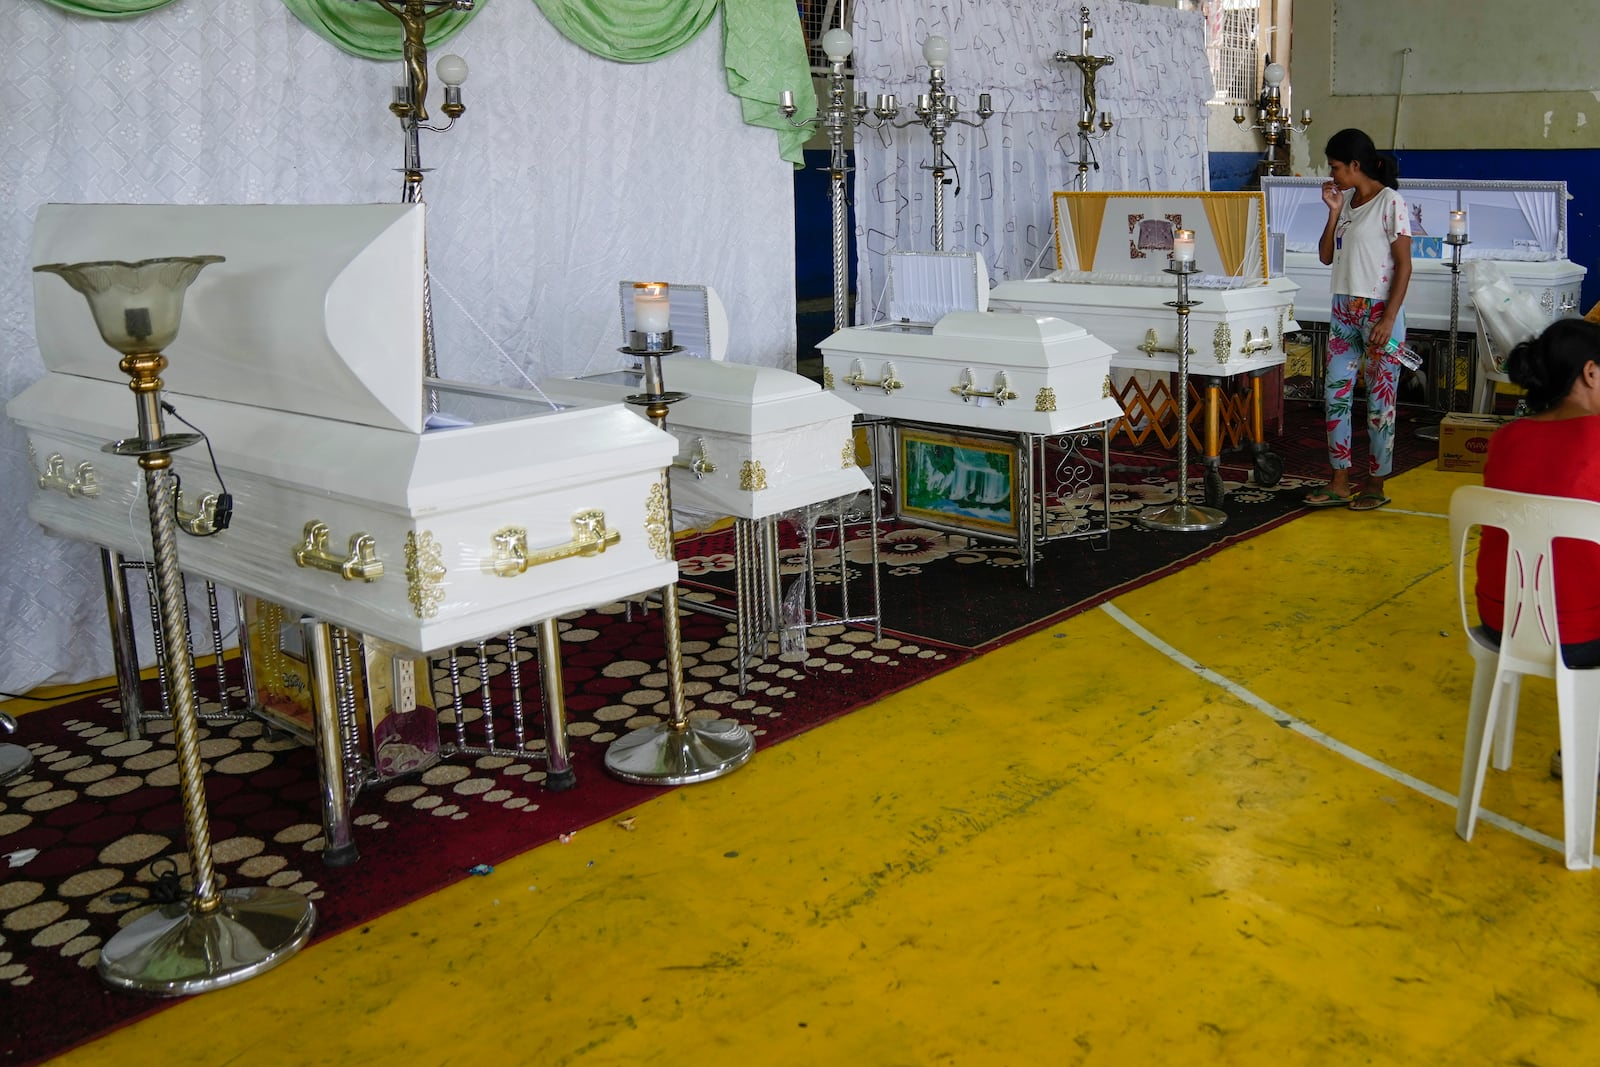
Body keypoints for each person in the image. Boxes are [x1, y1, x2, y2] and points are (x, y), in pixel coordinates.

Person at [1474, 318, 1600, 777]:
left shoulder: (1506, 440)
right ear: (1590, 373)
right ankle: (1589, 757)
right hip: (1581, 633)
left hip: (1502, 619)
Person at [1302, 128, 1412, 511]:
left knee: (1381, 405)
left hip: (1380, 312)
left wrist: (1389, 318)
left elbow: (1404, 265)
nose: (1332, 174)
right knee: (1336, 396)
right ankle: (1339, 480)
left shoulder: (1390, 202)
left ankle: (1376, 482)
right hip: (1343, 311)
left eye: (1335, 167)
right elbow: (1326, 257)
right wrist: (1333, 213)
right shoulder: (1346, 201)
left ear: (1355, 164)